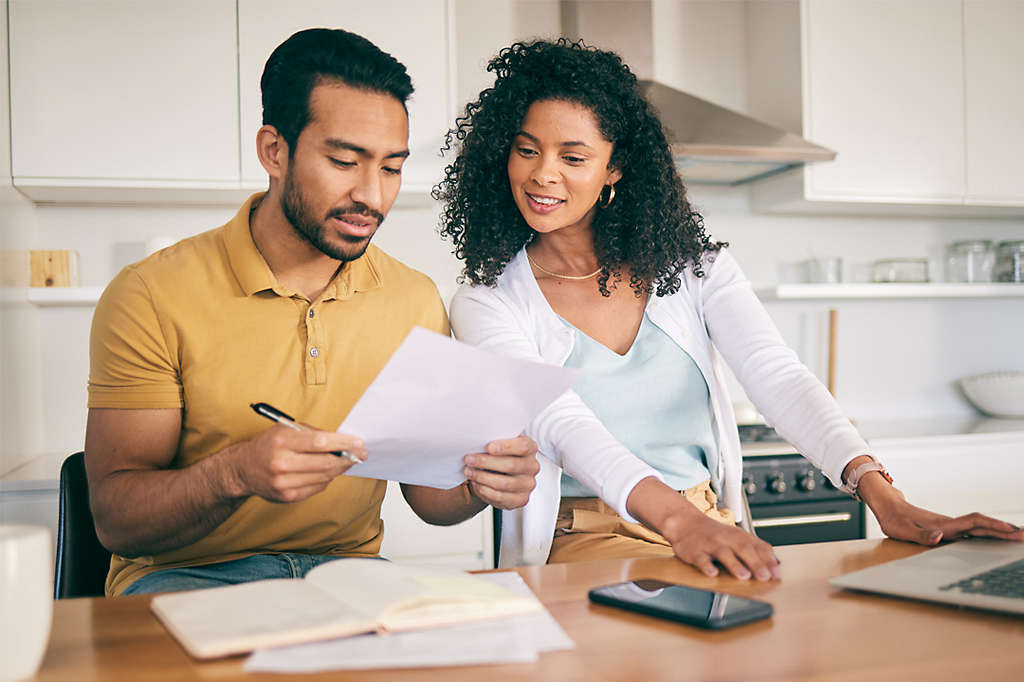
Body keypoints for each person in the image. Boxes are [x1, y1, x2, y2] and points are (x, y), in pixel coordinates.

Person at [435, 39, 1024, 580]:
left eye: (573, 156)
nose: (543, 174)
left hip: (706, 522)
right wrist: (677, 522)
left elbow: (779, 377)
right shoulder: (487, 301)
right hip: (586, 539)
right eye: (527, 150)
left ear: (613, 169)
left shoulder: (695, 268)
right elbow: (560, 425)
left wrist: (885, 500)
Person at [85, 28, 539, 597]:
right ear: (274, 151)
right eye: (345, 161)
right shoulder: (151, 293)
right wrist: (235, 474)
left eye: (392, 168)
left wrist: (482, 482)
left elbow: (429, 500)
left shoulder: (414, 299)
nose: (372, 196)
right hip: (185, 579)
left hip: (351, 578)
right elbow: (115, 519)